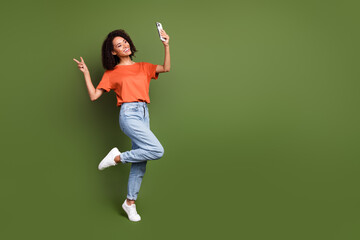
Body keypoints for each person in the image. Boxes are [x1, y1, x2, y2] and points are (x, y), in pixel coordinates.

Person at [73, 28, 170, 222]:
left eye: (125, 42)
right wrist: (86, 73)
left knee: (140, 164)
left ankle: (129, 203)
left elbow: (166, 68)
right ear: (113, 52)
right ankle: (117, 158)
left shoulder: (143, 66)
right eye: (119, 45)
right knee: (157, 150)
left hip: (144, 114)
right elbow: (94, 96)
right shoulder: (112, 73)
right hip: (129, 114)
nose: (124, 45)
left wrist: (166, 45)